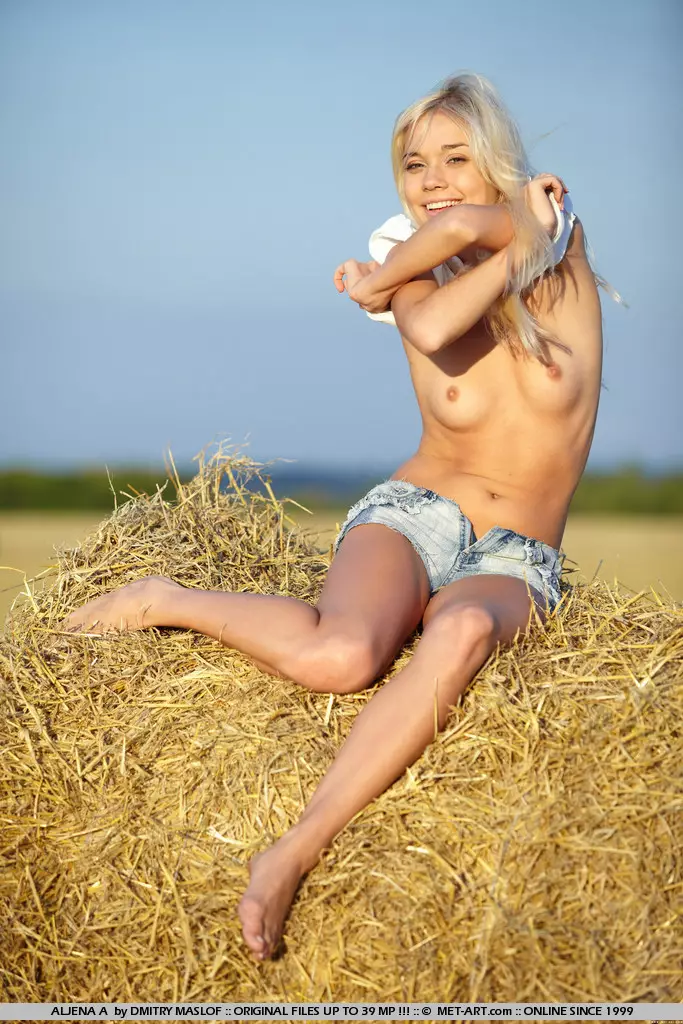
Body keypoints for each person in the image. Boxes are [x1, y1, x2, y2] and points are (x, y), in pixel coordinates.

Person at [64, 73, 605, 961]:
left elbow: (470, 228)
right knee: (339, 658)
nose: (431, 181)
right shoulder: (412, 266)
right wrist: (396, 272)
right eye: (413, 164)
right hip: (415, 512)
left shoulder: (558, 232)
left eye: (454, 158)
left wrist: (447, 258)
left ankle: (293, 850)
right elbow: (431, 328)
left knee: (465, 627)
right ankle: (164, 597)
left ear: (496, 162)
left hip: (516, 554)